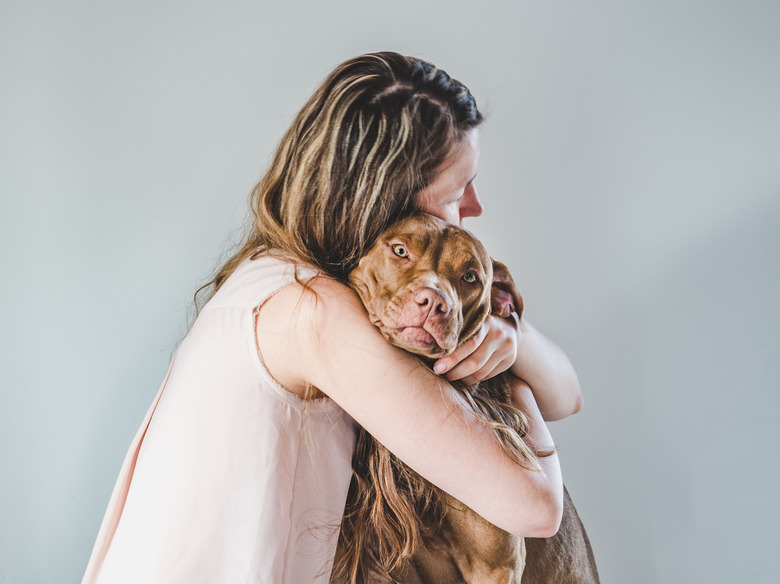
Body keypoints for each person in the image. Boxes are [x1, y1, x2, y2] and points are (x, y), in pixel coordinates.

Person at [81, 52, 583, 584]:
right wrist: (510, 385)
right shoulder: (316, 313)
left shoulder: (272, 274)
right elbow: (536, 507)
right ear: (387, 199)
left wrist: (508, 335)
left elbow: (568, 394)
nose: (475, 206)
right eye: (459, 191)